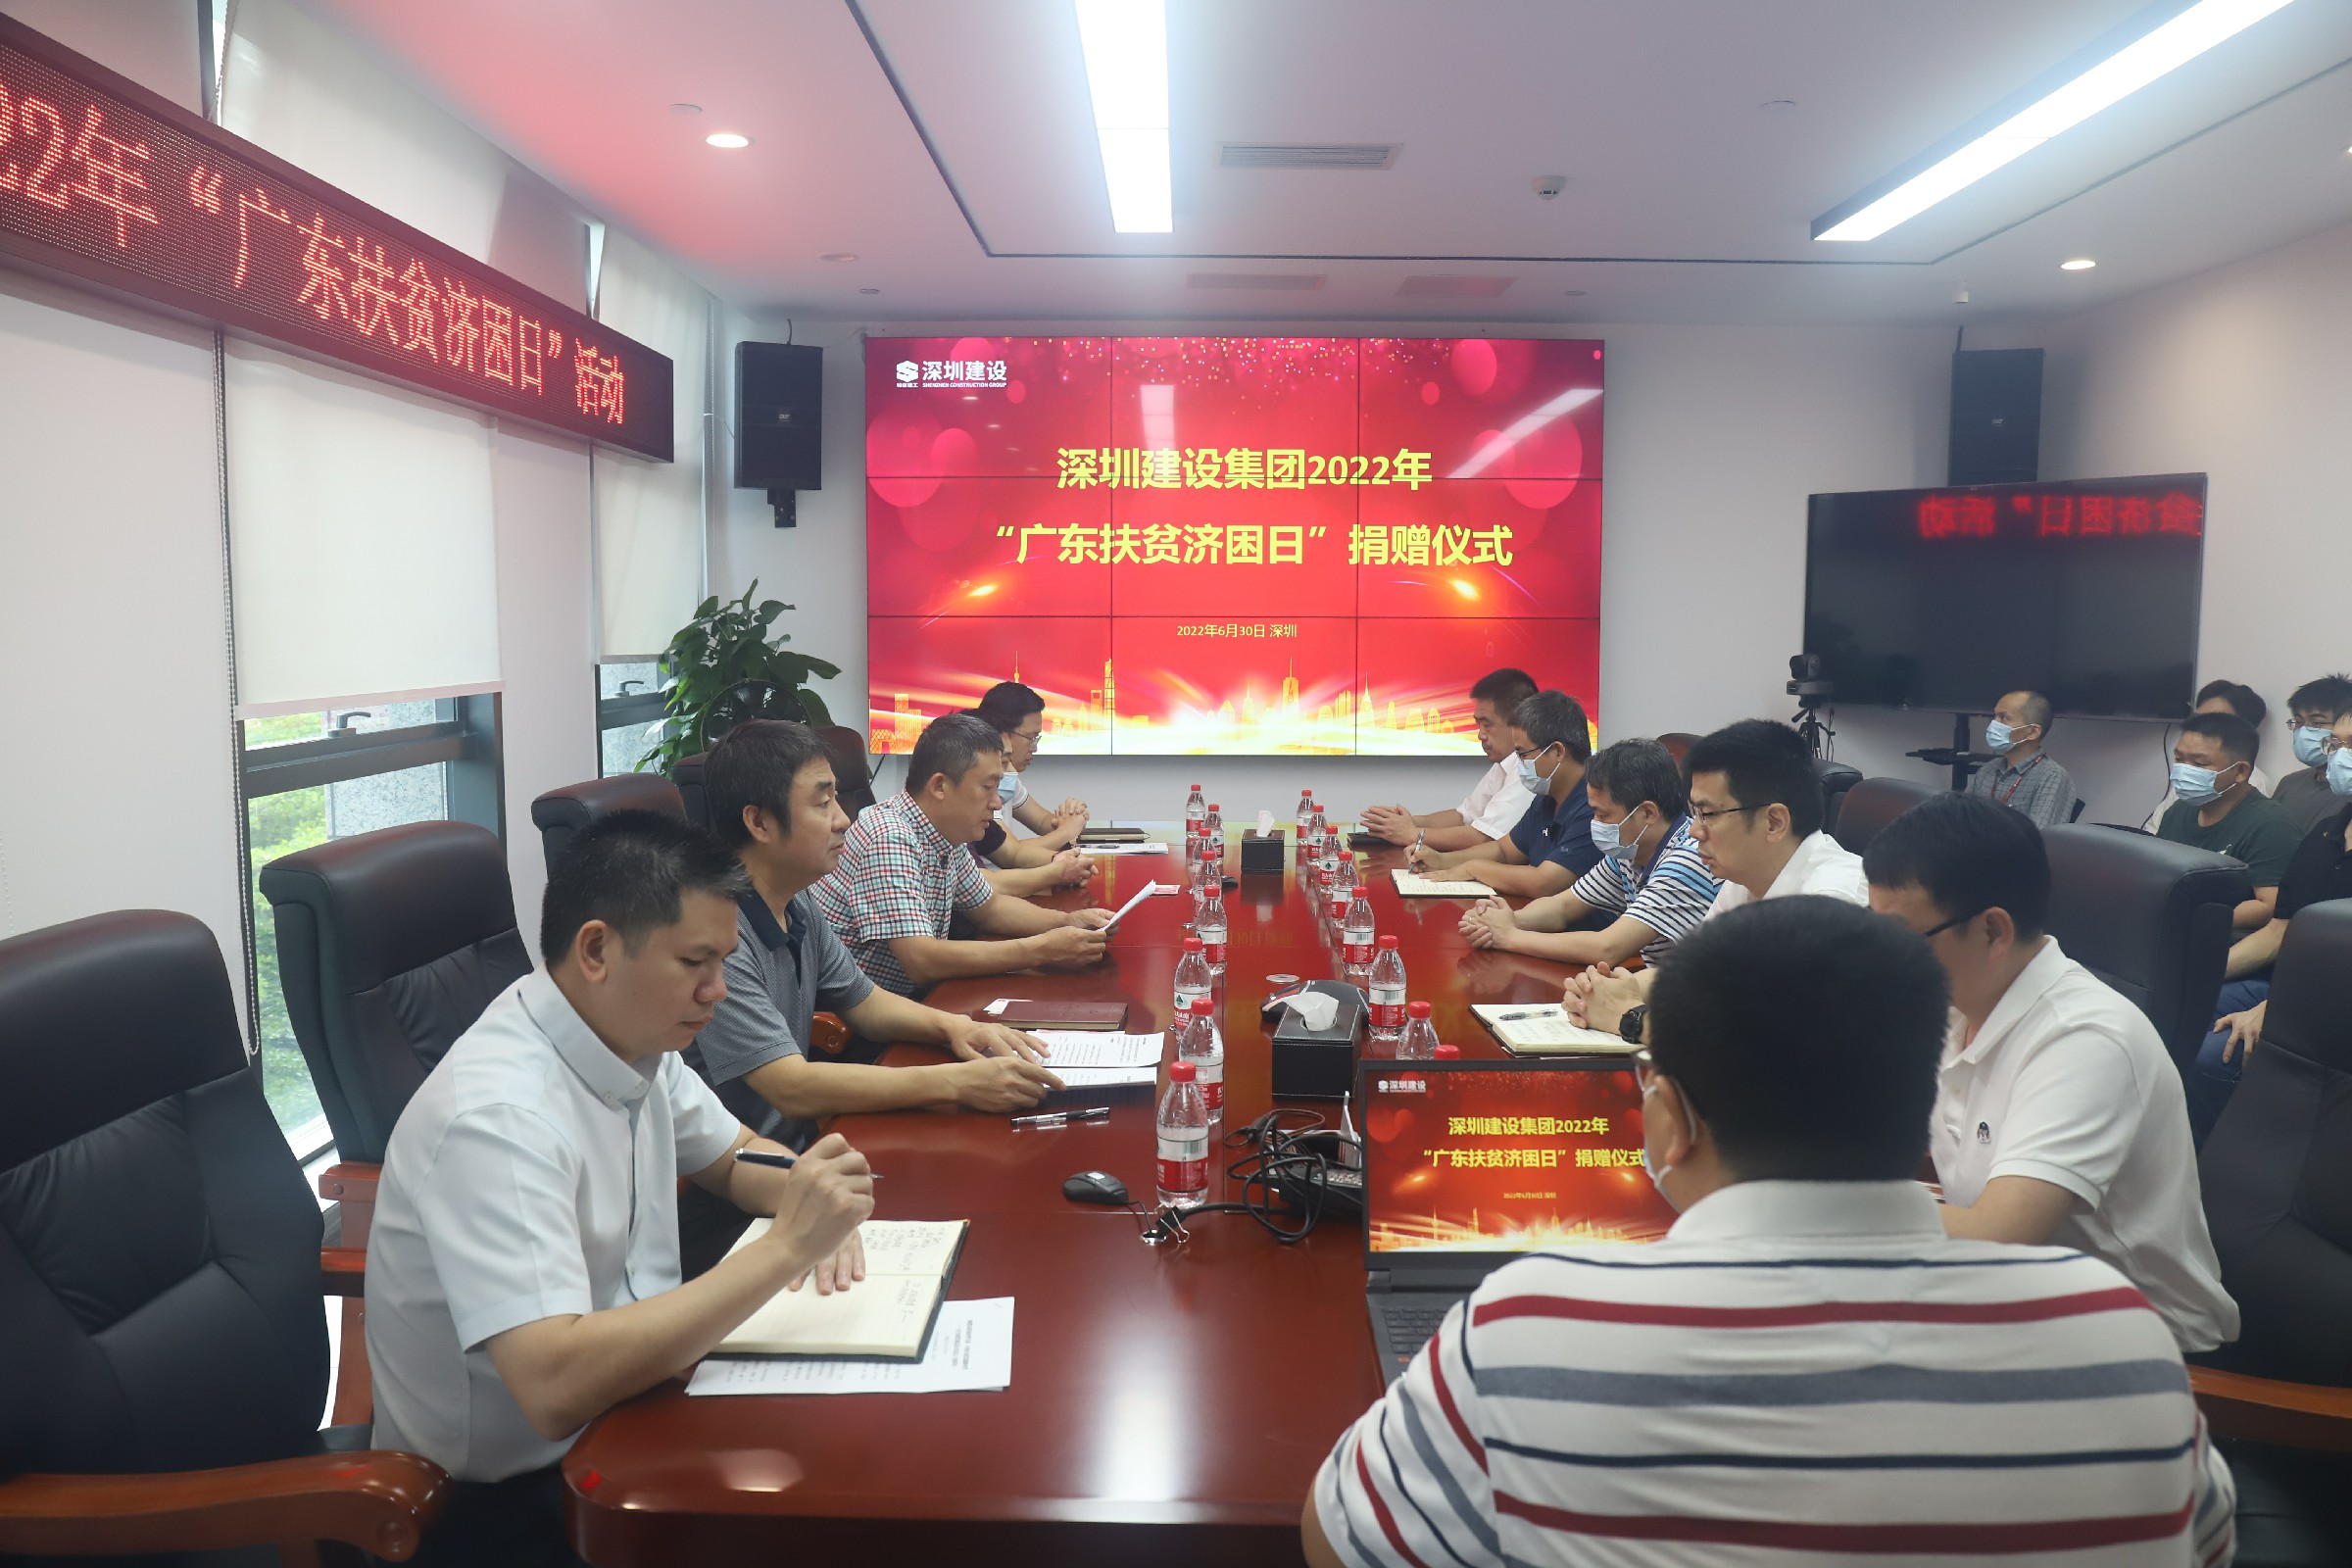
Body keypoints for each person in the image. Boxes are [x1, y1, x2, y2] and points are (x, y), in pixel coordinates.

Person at [1304, 897, 2235, 1568]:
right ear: (1924, 1098)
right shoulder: (2118, 1335)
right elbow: (2203, 1544)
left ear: (1666, 1120)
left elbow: (1337, 1538)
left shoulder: (1530, 1327)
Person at [366, 812, 876, 1568]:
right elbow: (554, 1386)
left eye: (724, 961)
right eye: (695, 962)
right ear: (597, 949)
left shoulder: (631, 1032)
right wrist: (786, 1249)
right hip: (499, 1509)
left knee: (839, 1469)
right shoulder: (497, 1118)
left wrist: (805, 1188)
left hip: (634, 1416)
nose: (717, 990)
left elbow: (733, 1157)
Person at [679, 720, 1067, 1272]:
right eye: (823, 803)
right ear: (759, 822)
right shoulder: (720, 934)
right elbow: (791, 1086)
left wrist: (958, 1028)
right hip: (734, 1198)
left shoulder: (795, 901)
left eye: (838, 798)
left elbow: (863, 1000)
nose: (844, 819)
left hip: (802, 1158)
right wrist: (957, 1082)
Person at [1864, 793, 2238, 1353]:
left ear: (1993, 931)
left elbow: (1998, 1238)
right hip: (2012, 1299)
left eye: (1897, 937)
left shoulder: (2086, 1038)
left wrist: (1825, 1211)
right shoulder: (1955, 1002)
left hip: (2141, 1345)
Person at [1569, 717, 1868, 1035]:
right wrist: (1614, 989)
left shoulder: (1834, 901)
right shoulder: (1744, 879)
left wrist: (1629, 1018)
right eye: (1695, 813)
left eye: (1709, 814)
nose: (1694, 830)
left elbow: (1757, 1038)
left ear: (1774, 822)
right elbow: (1696, 972)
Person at [812, 711, 1112, 996]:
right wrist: (1042, 949)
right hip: (858, 1019)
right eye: (988, 787)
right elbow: (920, 960)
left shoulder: (944, 832)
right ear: (940, 786)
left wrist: (1068, 922)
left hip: (914, 998)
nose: (997, 802)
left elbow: (990, 908)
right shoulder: (890, 836)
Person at [2183, 705, 2352, 1144]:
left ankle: (2235, 1158)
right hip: (2284, 986)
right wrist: (2197, 972)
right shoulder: (2326, 834)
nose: (2340, 756)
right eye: (2337, 745)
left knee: (2210, 1058)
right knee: (2174, 1008)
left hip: (2332, 1002)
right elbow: (2279, 931)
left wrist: (2278, 1009)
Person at [1458, 737, 1719, 975]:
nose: (1595, 823)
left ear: (1648, 813)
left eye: (1603, 815)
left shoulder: (1687, 860)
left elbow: (1607, 948)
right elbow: (1563, 907)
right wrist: (1505, 920)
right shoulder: (1629, 852)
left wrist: (1509, 936)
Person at [1404, 690, 1598, 896]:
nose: (1519, 763)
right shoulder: (1546, 798)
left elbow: (1543, 882)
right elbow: (1504, 851)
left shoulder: (1595, 807)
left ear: (1558, 751)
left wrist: (1474, 868)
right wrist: (1441, 860)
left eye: (1523, 754)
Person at [1359, 667, 1539, 851]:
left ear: (1519, 722)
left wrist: (1412, 833)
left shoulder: (1530, 769)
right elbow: (1463, 817)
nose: (1480, 735)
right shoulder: (1505, 763)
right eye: (1478, 724)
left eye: (1487, 725)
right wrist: (1404, 822)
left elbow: (1484, 837)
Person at [2154, 710, 2298, 932]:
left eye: (2199, 763)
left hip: (2223, 938)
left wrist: (2192, 920)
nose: (2184, 771)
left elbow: (2270, 905)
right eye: (2179, 760)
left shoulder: (2271, 824)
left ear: (2240, 771)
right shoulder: (2178, 810)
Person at [962, 702, 1096, 899]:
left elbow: (1014, 854)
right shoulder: (918, 833)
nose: (1008, 772)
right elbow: (986, 885)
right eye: (1003, 762)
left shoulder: (971, 812)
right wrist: (1059, 867)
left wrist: (1065, 861)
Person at [2139, 680, 2276, 830]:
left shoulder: (2254, 785)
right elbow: (2154, 830)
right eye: (2198, 718)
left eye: (2215, 720)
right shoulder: (2187, 778)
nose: (2202, 726)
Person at [972, 680, 1090, 844]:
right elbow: (1013, 852)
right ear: (1001, 733)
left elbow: (1042, 822)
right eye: (1030, 738)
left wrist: (1070, 818)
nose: (1034, 748)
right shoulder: (980, 786)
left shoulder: (1008, 778)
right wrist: (1067, 831)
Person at [1964, 689, 2077, 829]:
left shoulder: (2052, 776)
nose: (1994, 724)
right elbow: (1961, 819)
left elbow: (2039, 836)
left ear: (2032, 732)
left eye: (2004, 718)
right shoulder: (1988, 769)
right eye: (1995, 716)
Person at [2271, 671, 2352, 834]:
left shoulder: (2347, 791)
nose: (2303, 732)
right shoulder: (2289, 784)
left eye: (2317, 723)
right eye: (2299, 723)